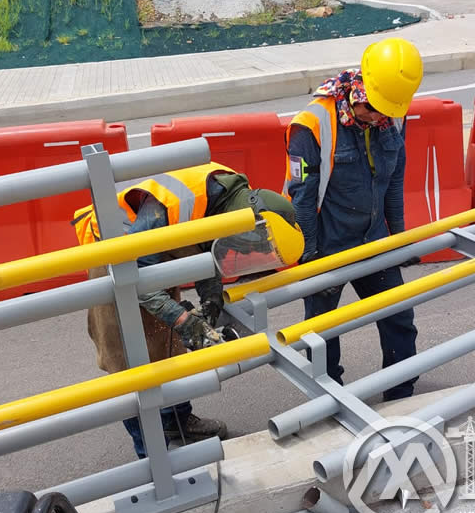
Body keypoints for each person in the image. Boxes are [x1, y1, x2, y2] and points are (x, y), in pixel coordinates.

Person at [72, 162, 303, 458]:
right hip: (115, 264)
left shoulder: (227, 200)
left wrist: (211, 301)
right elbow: (137, 271)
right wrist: (185, 319)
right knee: (128, 365)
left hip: (156, 258)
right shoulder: (177, 204)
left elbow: (209, 250)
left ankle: (178, 421)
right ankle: (151, 454)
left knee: (169, 346)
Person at [283, 37, 424, 400]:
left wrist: (399, 238)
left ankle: (400, 393)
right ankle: (330, 400)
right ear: (359, 94)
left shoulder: (392, 112)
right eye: (374, 111)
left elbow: (394, 180)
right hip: (326, 241)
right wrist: (312, 258)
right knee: (323, 331)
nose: (382, 119)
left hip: (373, 238)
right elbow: (302, 197)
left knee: (398, 316)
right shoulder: (312, 125)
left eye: (388, 112)